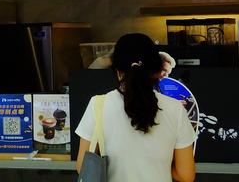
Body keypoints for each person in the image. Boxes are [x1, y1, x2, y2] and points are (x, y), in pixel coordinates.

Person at [75, 33, 196, 182]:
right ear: (156, 71)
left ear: (118, 71)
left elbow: (82, 167)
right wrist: (159, 165)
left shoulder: (98, 105)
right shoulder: (175, 108)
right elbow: (186, 175)